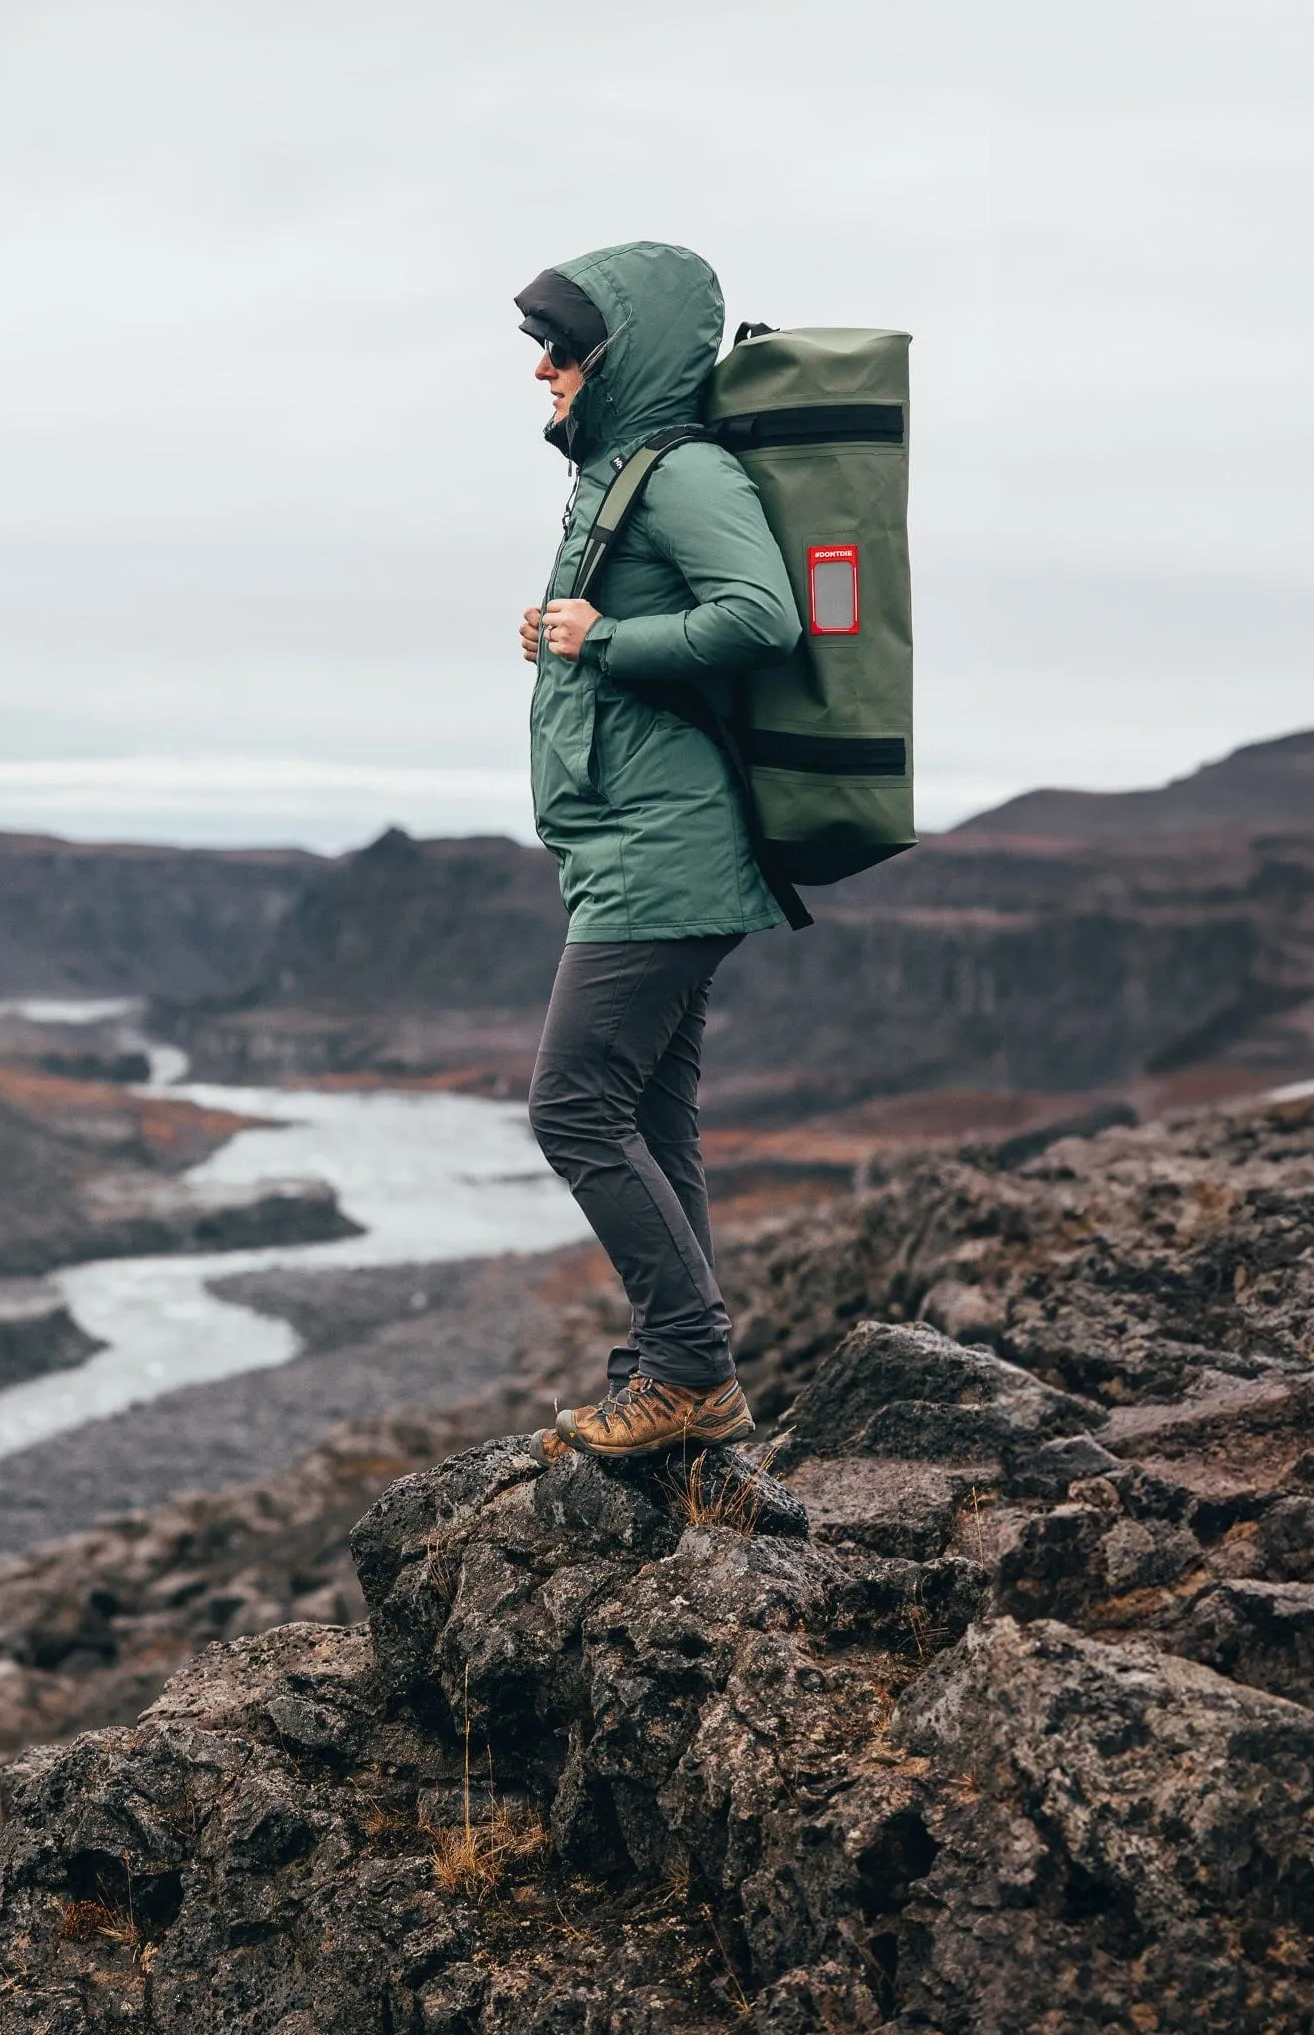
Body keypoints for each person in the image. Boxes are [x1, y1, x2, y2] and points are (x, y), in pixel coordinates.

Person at [514, 242, 800, 1460]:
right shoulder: (616, 476)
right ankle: (673, 1367)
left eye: (562, 351)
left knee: (572, 1107)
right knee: (651, 1116)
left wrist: (606, 639)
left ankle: (687, 1369)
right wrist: (571, 632)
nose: (543, 374)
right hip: (629, 841)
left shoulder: (682, 470)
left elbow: (761, 614)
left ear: (616, 359)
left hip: (666, 849)